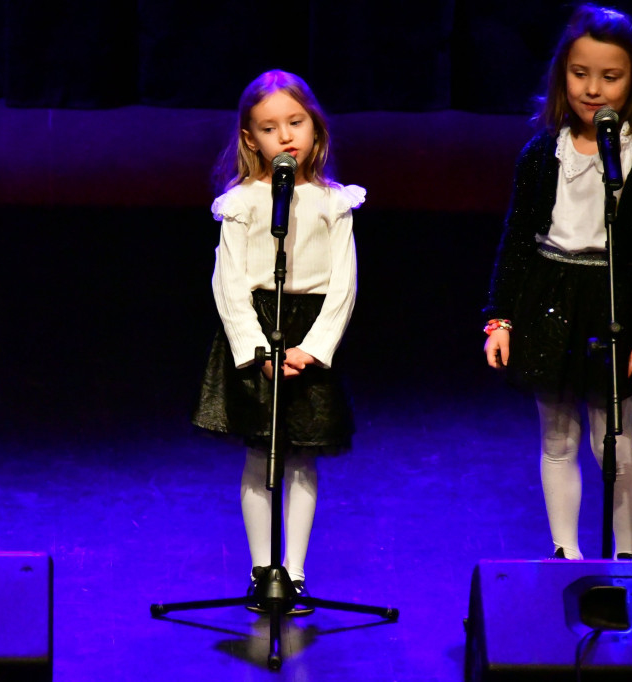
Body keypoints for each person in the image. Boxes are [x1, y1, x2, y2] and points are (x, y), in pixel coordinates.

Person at [483, 5, 632, 560]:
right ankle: (565, 555)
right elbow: (518, 239)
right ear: (562, 74)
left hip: (611, 300)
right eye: (580, 74)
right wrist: (499, 318)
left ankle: (628, 559)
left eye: (610, 77)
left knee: (611, 442)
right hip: (549, 297)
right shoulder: (542, 154)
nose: (592, 89)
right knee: (556, 437)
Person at [193, 70, 363, 613]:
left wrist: (311, 349)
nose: (285, 136)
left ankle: (295, 572)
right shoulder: (240, 202)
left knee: (302, 458)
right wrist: (256, 350)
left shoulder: (334, 203)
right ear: (250, 138)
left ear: (315, 127)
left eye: (295, 122)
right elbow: (228, 284)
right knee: (258, 454)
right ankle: (262, 570)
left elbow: (344, 285)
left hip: (308, 336)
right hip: (258, 334)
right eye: (270, 128)